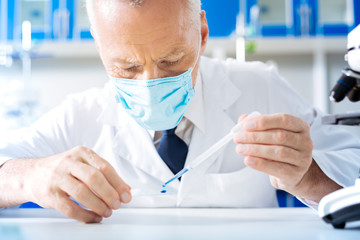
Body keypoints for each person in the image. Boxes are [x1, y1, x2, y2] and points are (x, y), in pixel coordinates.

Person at [0, 0, 359, 223]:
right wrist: (27, 175)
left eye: (172, 61)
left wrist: (307, 175)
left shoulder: (259, 87)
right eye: (126, 67)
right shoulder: (80, 115)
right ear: (100, 46)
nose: (150, 82)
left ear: (202, 34)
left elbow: (352, 163)